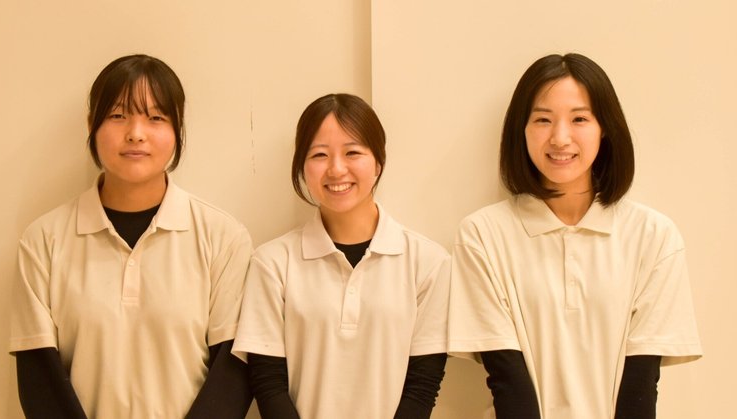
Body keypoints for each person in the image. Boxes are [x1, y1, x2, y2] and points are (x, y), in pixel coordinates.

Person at [448, 52, 703, 419]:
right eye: (543, 119)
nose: (560, 138)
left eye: (579, 119)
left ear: (605, 128)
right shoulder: (482, 235)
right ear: (521, 130)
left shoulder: (654, 236)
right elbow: (507, 379)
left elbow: (641, 382)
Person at [9, 54, 253, 419]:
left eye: (156, 118)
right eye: (118, 115)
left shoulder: (224, 238)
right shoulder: (43, 241)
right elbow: (38, 379)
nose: (136, 133)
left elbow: (231, 376)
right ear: (92, 125)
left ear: (178, 128)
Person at [233, 93, 450, 419]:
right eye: (319, 154)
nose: (336, 169)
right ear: (302, 167)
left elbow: (422, 386)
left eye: (353, 152)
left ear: (378, 163)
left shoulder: (428, 263)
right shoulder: (272, 262)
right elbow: (268, 383)